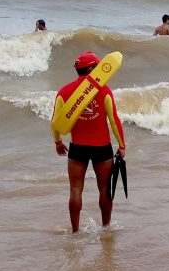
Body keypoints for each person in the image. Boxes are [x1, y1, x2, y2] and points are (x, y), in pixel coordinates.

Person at [51, 51, 127, 233]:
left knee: (75, 190)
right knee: (104, 189)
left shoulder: (64, 92)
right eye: (98, 66)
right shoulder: (105, 91)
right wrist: (122, 145)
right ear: (92, 69)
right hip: (102, 148)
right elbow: (114, 120)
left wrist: (57, 141)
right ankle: (106, 227)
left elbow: (56, 121)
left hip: (78, 148)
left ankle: (75, 231)